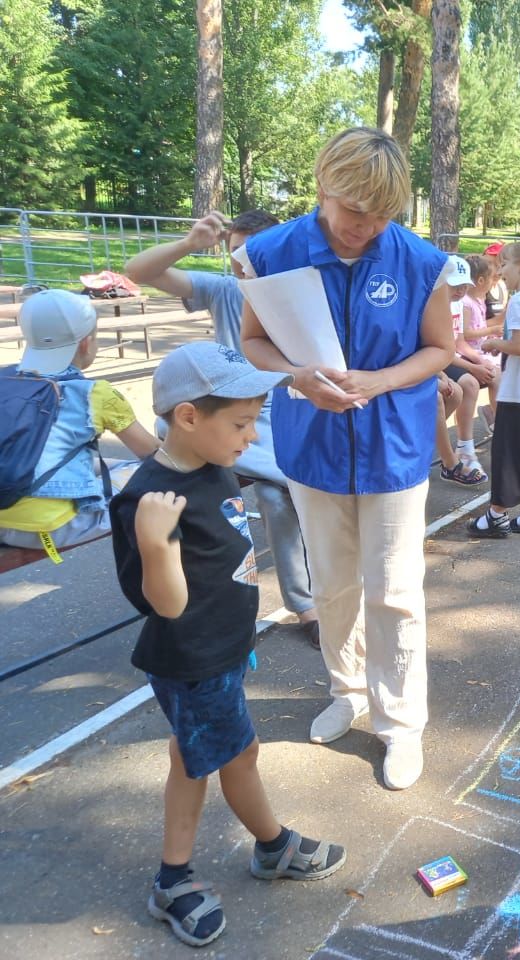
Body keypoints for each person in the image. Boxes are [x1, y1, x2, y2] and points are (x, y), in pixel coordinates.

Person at [238, 126, 455, 791]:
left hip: (394, 448)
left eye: (383, 213)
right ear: (323, 186)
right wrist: (296, 376)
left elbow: (440, 350)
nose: (367, 226)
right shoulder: (268, 253)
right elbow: (252, 343)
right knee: (332, 583)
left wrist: (381, 380)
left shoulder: (420, 261)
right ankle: (347, 690)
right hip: (313, 446)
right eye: (356, 209)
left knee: (393, 589)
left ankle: (400, 724)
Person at [109, 342, 346, 949]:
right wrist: (157, 545)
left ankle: (181, 873)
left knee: (195, 756)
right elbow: (165, 605)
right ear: (188, 416)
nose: (249, 436)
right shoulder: (147, 503)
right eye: (240, 423)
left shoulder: (212, 462)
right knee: (236, 756)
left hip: (224, 649)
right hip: (194, 658)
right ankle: (268, 849)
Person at [124, 211, 321, 648]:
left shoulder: (303, 297)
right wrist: (187, 244)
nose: (242, 262)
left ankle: (316, 589)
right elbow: (137, 272)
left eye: (252, 251)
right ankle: (306, 605)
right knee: (280, 492)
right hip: (231, 422)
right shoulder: (227, 291)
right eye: (236, 251)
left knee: (287, 490)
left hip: (283, 416)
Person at [0, 290, 158, 555]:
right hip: (53, 528)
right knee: (150, 472)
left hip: (3, 520)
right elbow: (154, 454)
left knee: (108, 465)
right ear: (85, 342)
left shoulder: (6, 380)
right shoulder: (95, 393)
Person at [466, 241, 520, 538]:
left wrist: (492, 344)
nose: (500, 272)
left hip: (519, 391)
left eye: (504, 265)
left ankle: (496, 514)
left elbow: (519, 346)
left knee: (506, 452)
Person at [437, 254, 490, 482]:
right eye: (455, 285)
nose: (460, 291)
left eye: (463, 286)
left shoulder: (457, 303)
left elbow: (457, 344)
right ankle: (457, 454)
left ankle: (464, 447)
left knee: (479, 378)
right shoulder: (434, 305)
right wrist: (471, 367)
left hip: (445, 358)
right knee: (463, 385)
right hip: (437, 360)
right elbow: (437, 350)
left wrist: (478, 360)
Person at [461, 254, 504, 426]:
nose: (494, 283)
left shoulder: (479, 300)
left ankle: (496, 413)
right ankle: (498, 419)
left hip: (481, 349)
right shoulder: (466, 303)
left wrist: (491, 336)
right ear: (480, 280)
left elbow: (478, 327)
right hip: (469, 352)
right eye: (491, 279)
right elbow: (465, 334)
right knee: (497, 376)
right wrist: (491, 330)